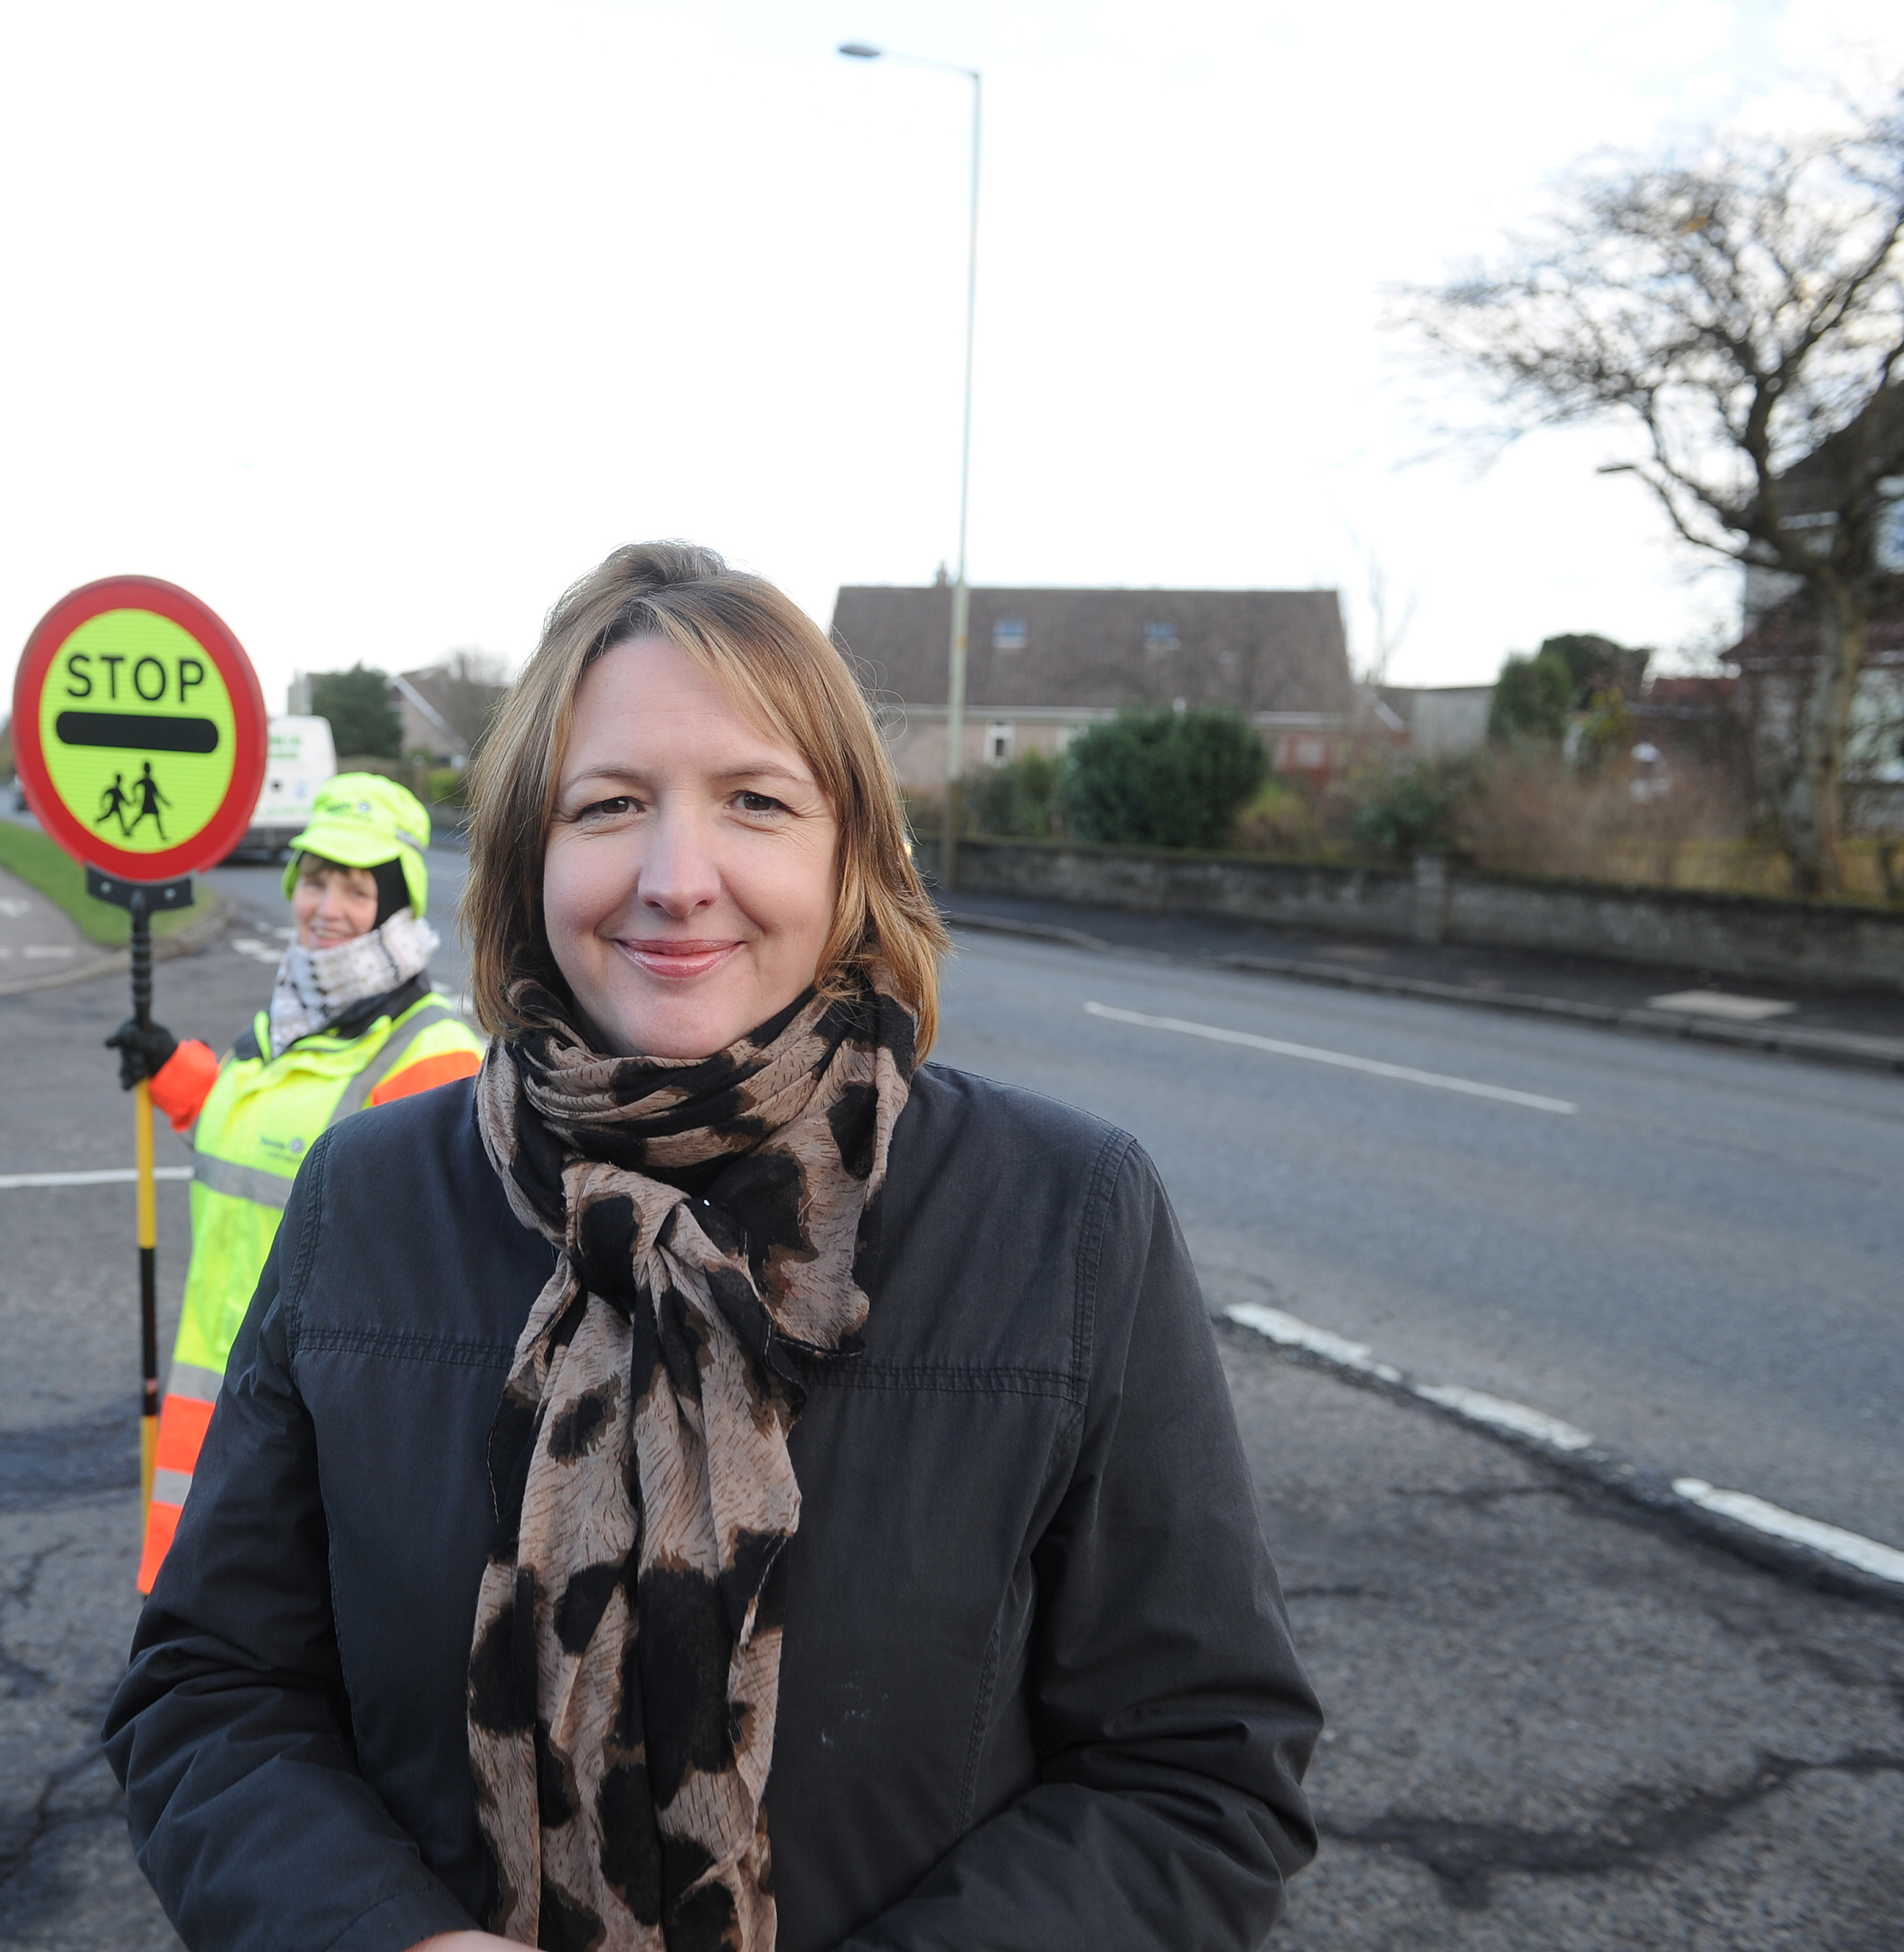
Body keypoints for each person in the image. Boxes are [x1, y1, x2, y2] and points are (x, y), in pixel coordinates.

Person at [105, 545, 1320, 1952]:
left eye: (754, 801)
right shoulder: (370, 1196)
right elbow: (206, 1688)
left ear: (848, 852)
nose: (678, 878)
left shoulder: (1067, 1215)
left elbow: (1199, 1769)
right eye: (611, 805)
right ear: (527, 856)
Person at [109, 772, 484, 1592]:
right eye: (315, 879)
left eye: (358, 888)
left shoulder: (437, 1059)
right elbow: (258, 1149)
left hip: (319, 1436)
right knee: (199, 1662)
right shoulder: (281, 1028)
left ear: (397, 909)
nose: (327, 907)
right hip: (216, 1403)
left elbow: (448, 1290)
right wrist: (179, 1075)